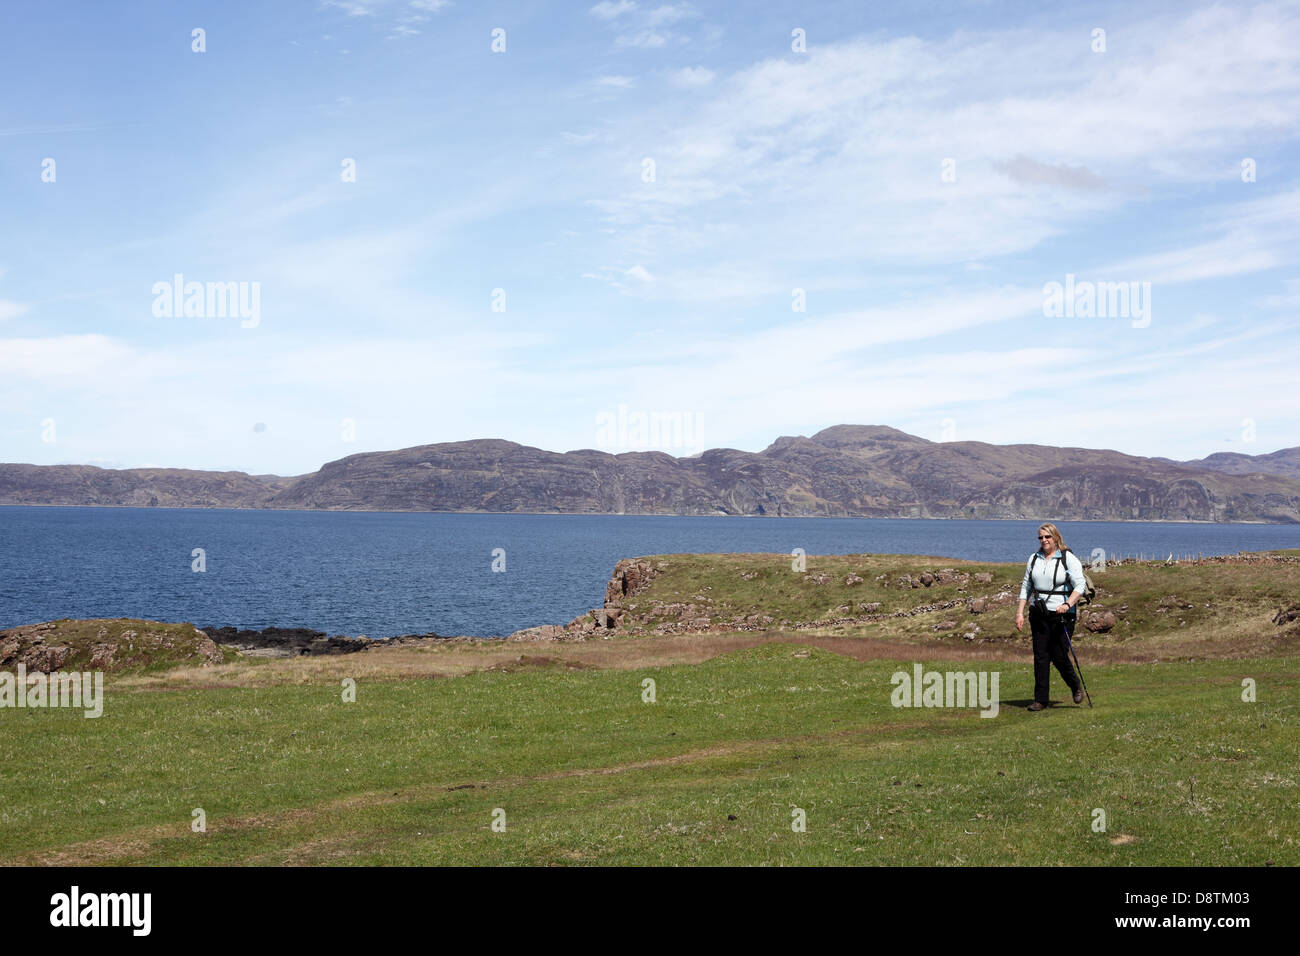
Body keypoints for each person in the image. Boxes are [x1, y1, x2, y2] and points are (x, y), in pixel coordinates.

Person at [1014, 522, 1085, 710]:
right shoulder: (1034, 559)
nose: (1044, 540)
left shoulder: (1067, 558)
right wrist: (1020, 612)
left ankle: (1075, 685)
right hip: (1038, 612)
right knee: (1040, 655)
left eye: (1047, 537)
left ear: (1056, 538)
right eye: (1041, 537)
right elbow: (1026, 586)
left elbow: (1080, 586)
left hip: (1062, 614)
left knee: (1059, 654)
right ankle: (1040, 699)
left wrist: (1067, 604)